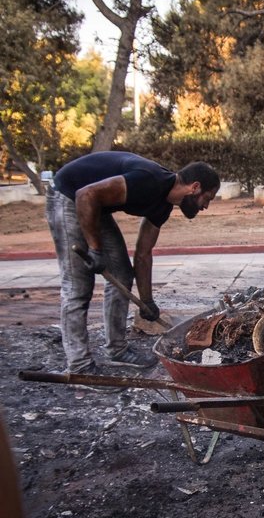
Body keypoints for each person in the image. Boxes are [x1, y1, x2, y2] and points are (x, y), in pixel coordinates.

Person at [46, 151, 220, 378]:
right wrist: (95, 249)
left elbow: (143, 254)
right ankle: (79, 366)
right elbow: (86, 194)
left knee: (121, 275)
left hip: (94, 205)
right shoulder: (149, 179)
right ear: (195, 187)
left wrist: (146, 301)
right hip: (69, 197)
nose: (205, 206)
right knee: (78, 288)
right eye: (208, 198)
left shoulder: (163, 205)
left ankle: (116, 350)